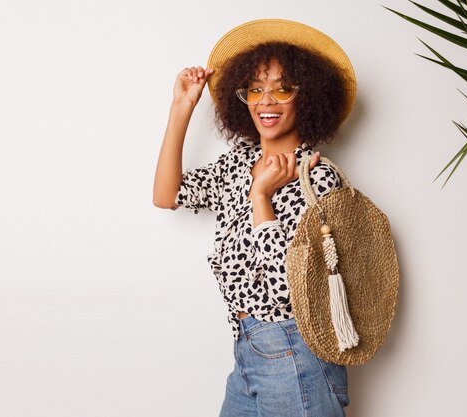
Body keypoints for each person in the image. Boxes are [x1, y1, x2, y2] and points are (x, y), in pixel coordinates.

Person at [153, 19, 356, 417]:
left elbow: (287, 291)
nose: (267, 100)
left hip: (296, 349)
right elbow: (167, 195)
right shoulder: (237, 164)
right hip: (248, 350)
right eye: (256, 88)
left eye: (282, 88)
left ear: (307, 96)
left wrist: (260, 195)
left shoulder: (316, 176)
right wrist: (182, 108)